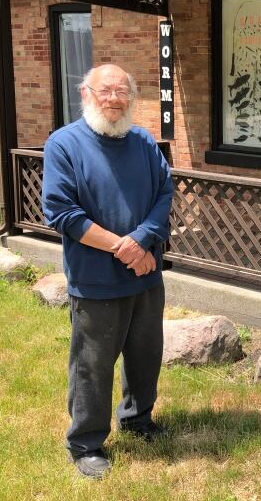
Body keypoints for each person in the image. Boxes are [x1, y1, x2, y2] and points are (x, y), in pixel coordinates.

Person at [42, 64, 174, 479]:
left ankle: (137, 419)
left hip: (146, 276)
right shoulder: (64, 144)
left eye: (123, 91)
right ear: (86, 93)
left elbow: (164, 192)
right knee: (93, 365)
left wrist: (143, 239)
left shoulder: (143, 141)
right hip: (96, 279)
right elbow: (62, 212)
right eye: (106, 91)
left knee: (145, 354)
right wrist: (127, 248)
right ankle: (86, 442)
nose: (115, 99)